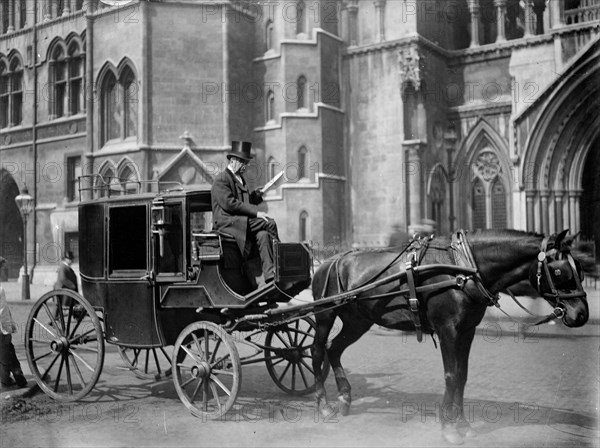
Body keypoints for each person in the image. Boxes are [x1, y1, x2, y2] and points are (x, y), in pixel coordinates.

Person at [211, 141, 280, 283]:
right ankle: (282, 262)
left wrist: (262, 192)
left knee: (263, 235)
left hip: (239, 222)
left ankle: (270, 275)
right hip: (228, 224)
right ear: (233, 160)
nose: (245, 166)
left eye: (246, 162)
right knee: (270, 223)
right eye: (243, 162)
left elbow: (246, 202)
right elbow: (230, 204)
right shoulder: (222, 179)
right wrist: (256, 213)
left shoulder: (239, 179)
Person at [0, 257, 27, 389]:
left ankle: (18, 378)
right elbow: (2, 312)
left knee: (8, 353)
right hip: (1, 330)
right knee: (6, 355)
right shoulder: (0, 289)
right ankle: (6, 381)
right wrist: (7, 330)